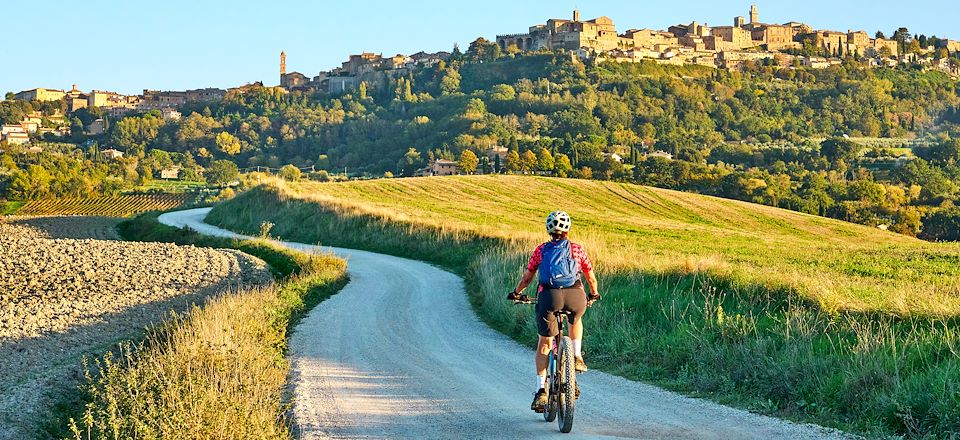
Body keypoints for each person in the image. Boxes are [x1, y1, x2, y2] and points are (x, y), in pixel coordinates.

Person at [507, 210, 600, 413]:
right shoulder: (577, 249)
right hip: (575, 295)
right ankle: (576, 356)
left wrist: (516, 293)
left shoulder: (541, 250)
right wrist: (593, 294)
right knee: (575, 320)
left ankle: (541, 390)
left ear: (548, 229)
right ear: (568, 229)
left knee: (545, 342)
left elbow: (527, 278)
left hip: (549, 297)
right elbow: (591, 278)